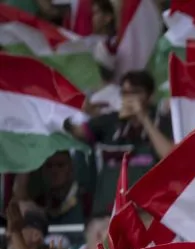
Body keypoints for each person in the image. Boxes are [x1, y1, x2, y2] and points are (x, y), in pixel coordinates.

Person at [62, 70, 173, 217]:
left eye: (135, 92)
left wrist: (144, 118)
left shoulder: (162, 121)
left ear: (149, 96)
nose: (129, 98)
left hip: (148, 213)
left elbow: (169, 155)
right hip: (109, 213)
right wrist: (78, 109)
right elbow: (76, 130)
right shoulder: (111, 121)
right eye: (125, 93)